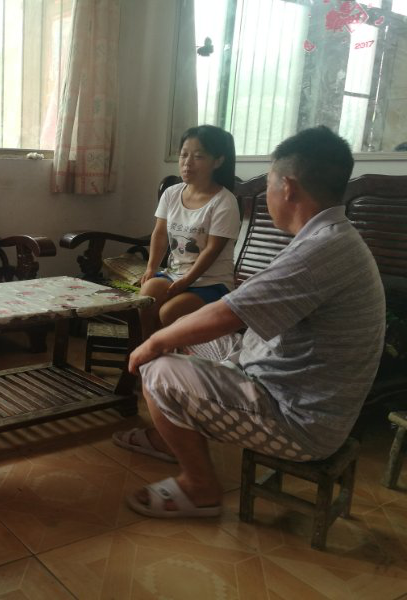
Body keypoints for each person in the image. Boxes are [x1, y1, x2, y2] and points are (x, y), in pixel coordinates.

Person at [115, 126, 385, 518]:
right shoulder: (331, 236)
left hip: (299, 419)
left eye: (270, 182)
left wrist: (152, 343)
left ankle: (200, 487)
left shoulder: (322, 249)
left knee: (157, 370)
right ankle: (167, 437)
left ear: (287, 187)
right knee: (186, 336)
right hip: (281, 378)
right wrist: (170, 336)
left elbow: (228, 313)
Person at [112, 125, 240, 455]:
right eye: (184, 155)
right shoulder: (172, 193)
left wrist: (186, 280)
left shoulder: (224, 201)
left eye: (198, 156)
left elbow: (211, 251)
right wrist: (152, 268)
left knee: (169, 312)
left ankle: (167, 378)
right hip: (174, 273)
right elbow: (158, 234)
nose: (187, 163)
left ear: (218, 160)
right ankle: (147, 365)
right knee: (145, 298)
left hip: (211, 281)